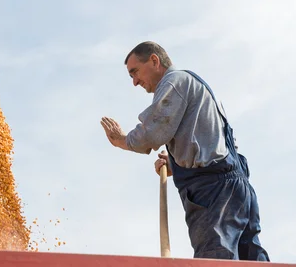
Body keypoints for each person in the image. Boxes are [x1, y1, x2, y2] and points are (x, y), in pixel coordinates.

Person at [100, 41, 269, 261]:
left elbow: (153, 132)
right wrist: (175, 163)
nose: (134, 82)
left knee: (216, 258)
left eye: (135, 72)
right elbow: (210, 141)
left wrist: (122, 140)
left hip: (213, 193)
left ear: (154, 60)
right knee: (251, 258)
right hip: (237, 189)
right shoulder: (196, 87)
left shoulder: (174, 82)